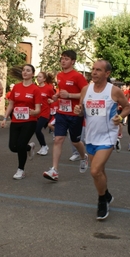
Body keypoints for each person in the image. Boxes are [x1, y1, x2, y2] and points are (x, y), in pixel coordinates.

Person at [74, 60, 130, 220]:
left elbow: (127, 107)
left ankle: (101, 202)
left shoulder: (114, 91)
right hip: (91, 136)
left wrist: (120, 117)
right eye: (93, 69)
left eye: (98, 70)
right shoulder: (86, 89)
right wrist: (78, 110)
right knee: (100, 172)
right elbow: (81, 111)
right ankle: (106, 195)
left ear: (107, 73)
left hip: (108, 136)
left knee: (95, 170)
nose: (94, 72)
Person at [42, 50, 89, 181]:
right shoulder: (60, 75)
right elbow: (62, 91)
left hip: (75, 113)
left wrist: (70, 95)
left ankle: (83, 156)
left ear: (73, 61)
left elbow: (86, 93)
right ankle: (54, 170)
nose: (63, 61)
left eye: (66, 59)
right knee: (58, 139)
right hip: (61, 112)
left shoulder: (78, 76)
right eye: (62, 58)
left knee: (75, 141)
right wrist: (57, 96)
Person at [1, 64, 41, 179]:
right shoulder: (17, 87)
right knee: (13, 147)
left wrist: (30, 111)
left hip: (29, 121)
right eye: (23, 70)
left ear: (32, 74)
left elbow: (38, 110)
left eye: (28, 71)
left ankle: (21, 170)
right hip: (16, 121)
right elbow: (11, 104)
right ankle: (29, 148)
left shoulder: (35, 89)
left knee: (20, 145)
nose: (25, 72)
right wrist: (5, 118)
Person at [35, 71, 55, 156]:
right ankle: (43, 146)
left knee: (37, 130)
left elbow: (54, 98)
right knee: (36, 130)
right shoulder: (35, 88)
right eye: (37, 77)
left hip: (45, 112)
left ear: (44, 79)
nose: (38, 78)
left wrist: (52, 101)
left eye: (40, 77)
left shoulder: (48, 88)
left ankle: (44, 146)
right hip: (37, 113)